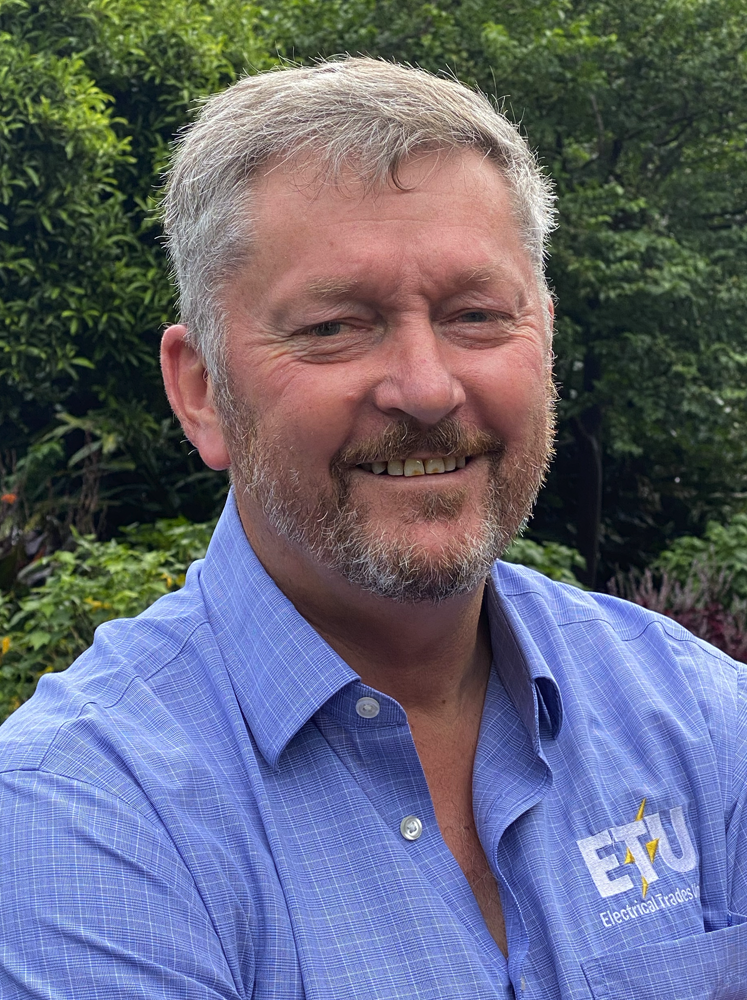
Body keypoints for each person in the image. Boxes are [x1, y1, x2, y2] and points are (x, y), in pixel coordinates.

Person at [0, 58, 745, 1000]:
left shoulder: (700, 721)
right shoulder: (82, 817)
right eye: (334, 327)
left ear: (546, 342)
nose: (427, 389)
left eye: (477, 315)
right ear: (202, 391)